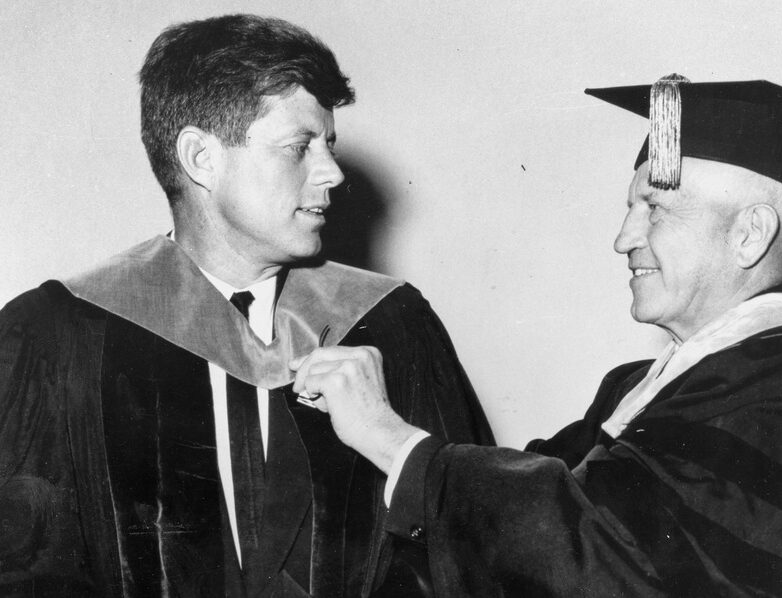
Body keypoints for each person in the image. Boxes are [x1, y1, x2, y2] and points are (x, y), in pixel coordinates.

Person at [293, 76, 782, 597]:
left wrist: (390, 439)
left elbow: (611, 565)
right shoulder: (648, 386)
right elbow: (525, 504)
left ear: (750, 233)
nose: (623, 238)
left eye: (655, 208)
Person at [0, 14, 493, 598]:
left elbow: (464, 552)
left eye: (329, 144)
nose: (332, 172)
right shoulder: (58, 334)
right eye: (298, 147)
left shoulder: (391, 323)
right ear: (200, 157)